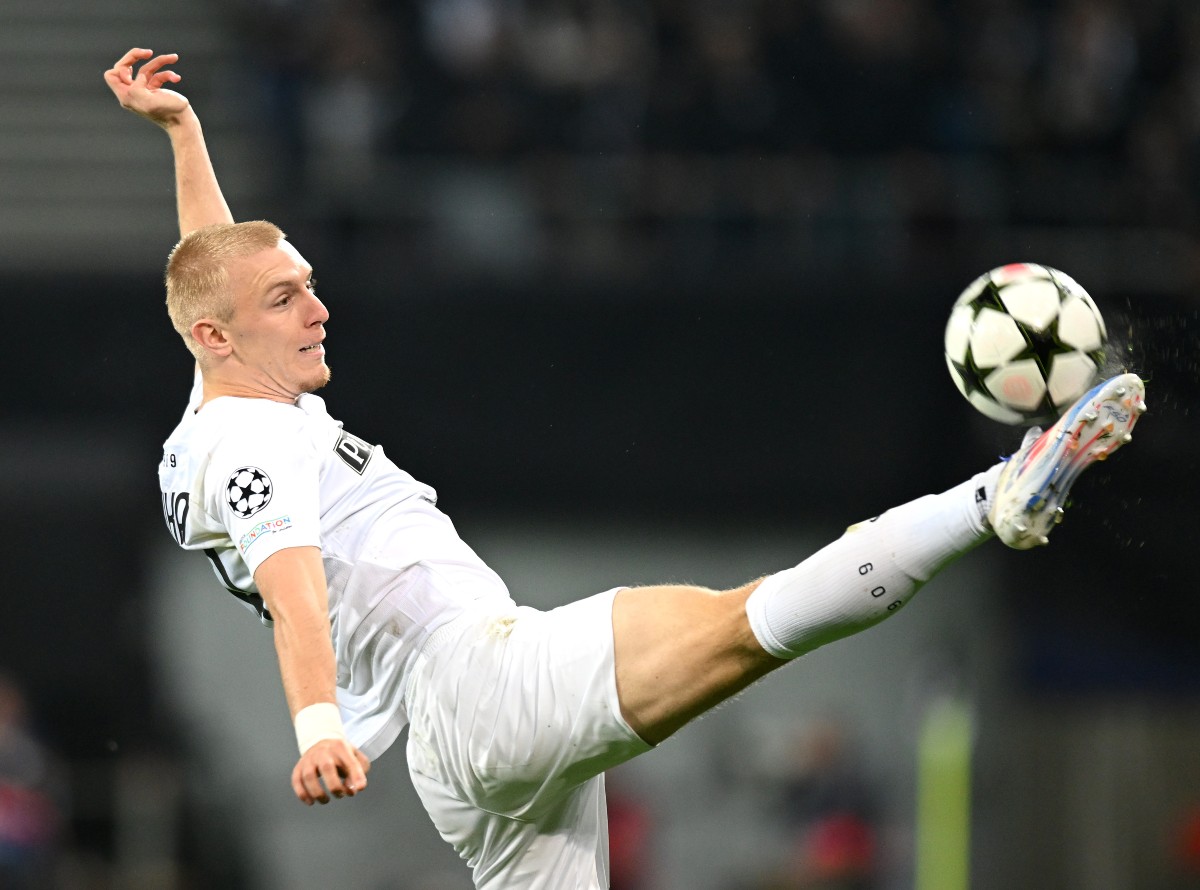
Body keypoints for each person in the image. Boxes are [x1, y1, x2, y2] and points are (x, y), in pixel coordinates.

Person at [105, 47, 1147, 890]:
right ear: (219, 333)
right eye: (288, 299)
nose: (316, 306)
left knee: (753, 625)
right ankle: (997, 498)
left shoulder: (222, 394)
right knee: (756, 621)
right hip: (475, 682)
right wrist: (317, 726)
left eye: (309, 283)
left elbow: (217, 268)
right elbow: (293, 585)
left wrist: (186, 138)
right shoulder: (257, 442)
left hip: (458, 749)